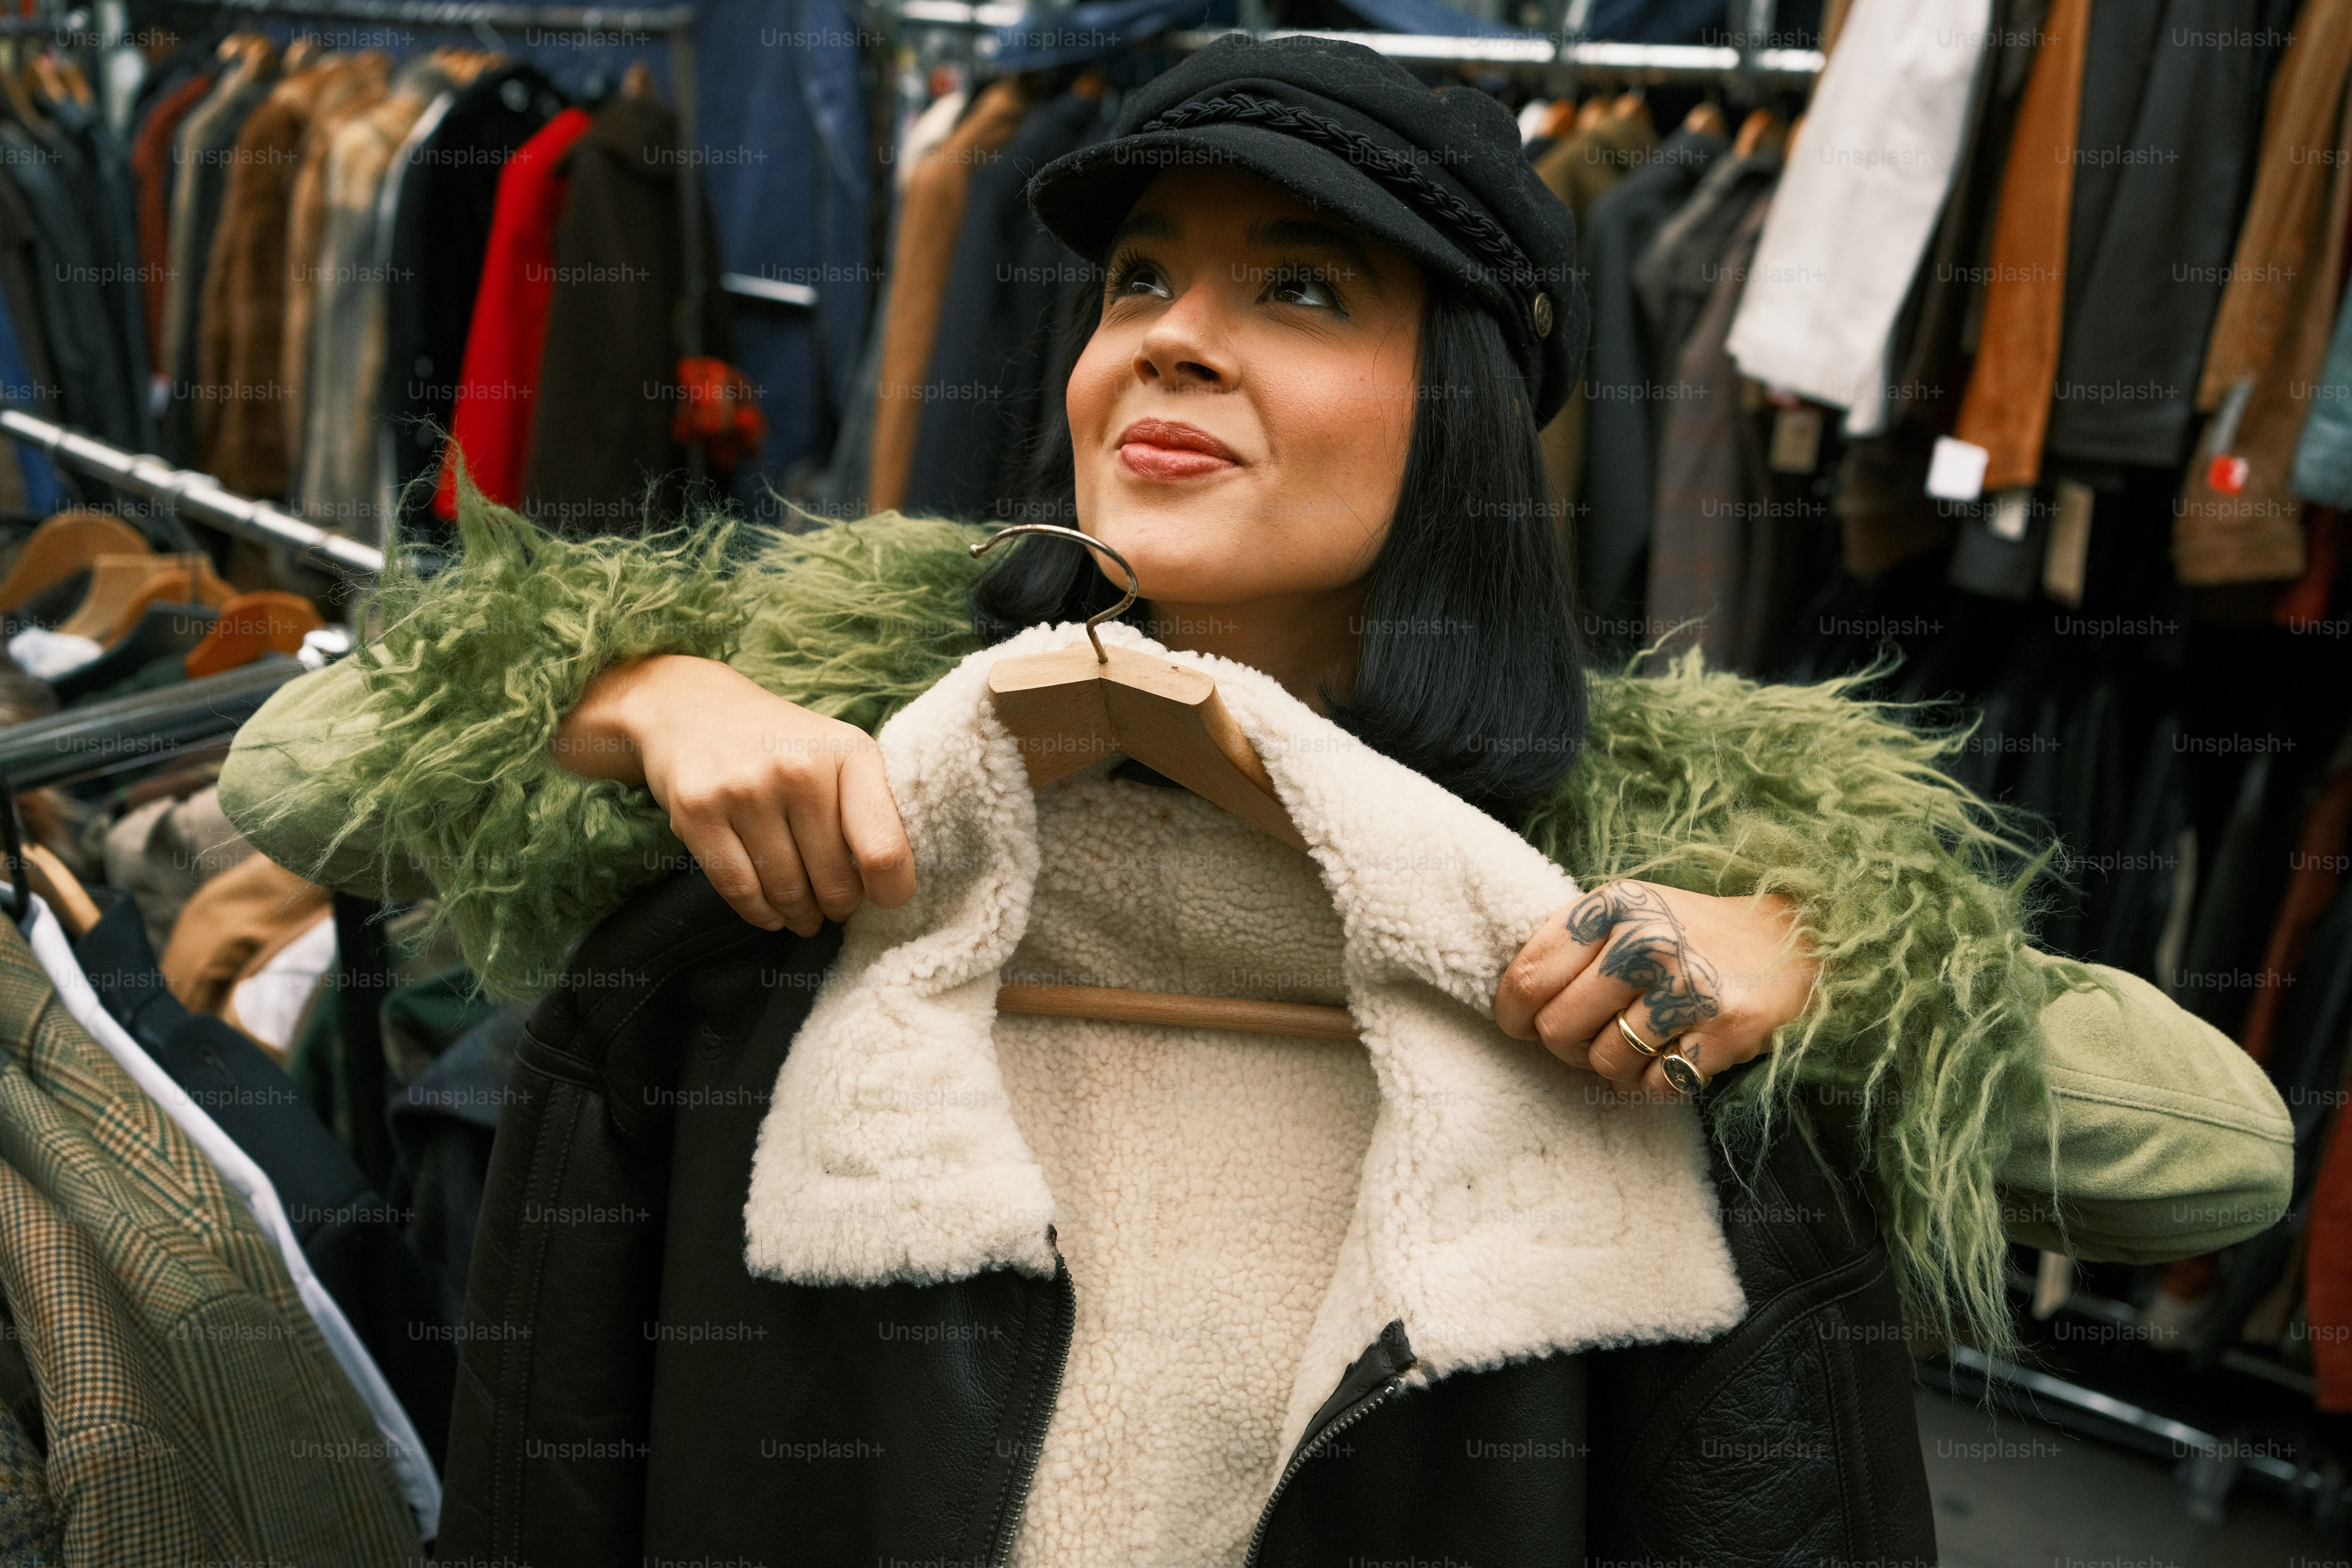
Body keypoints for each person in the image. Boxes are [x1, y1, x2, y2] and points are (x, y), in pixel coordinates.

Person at [220, 35, 2290, 1568]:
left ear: (1461, 405)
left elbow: (2215, 1161)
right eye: (1139, 281)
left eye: (1300, 292)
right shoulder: (871, 714)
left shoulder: (1637, 824)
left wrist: (1830, 952)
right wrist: (635, 693)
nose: (1172, 344)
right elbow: (290, 773)